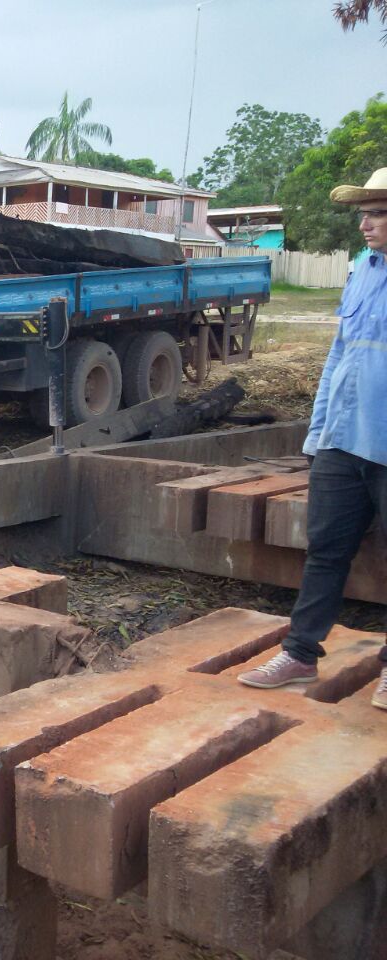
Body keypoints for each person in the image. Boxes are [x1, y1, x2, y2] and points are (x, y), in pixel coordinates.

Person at [238, 167, 387, 709]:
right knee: (325, 550)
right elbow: (340, 357)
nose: (365, 224)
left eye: (376, 214)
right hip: (344, 442)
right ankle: (300, 653)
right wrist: (319, 432)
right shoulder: (362, 269)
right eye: (364, 214)